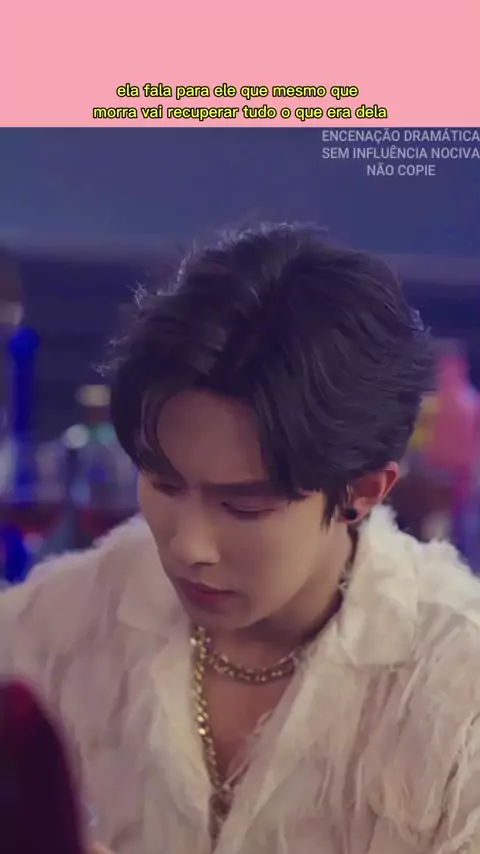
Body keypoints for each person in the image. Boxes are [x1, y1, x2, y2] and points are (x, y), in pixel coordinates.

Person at [1, 222, 480, 854]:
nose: (188, 546)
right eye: (164, 483)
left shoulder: (457, 689)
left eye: (245, 506)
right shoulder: (53, 627)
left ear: (363, 491)